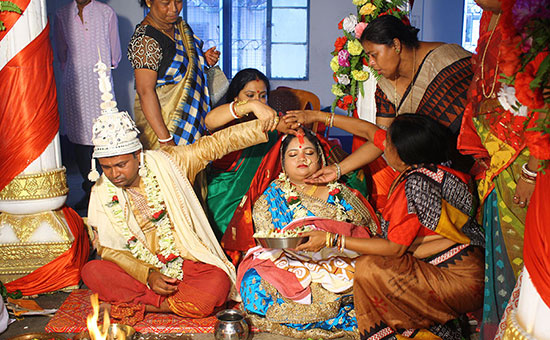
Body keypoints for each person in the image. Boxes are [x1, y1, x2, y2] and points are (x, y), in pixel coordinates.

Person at [80, 58, 278, 323]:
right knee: (92, 270)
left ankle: (148, 304)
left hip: (185, 262)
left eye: (121, 164)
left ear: (138, 155)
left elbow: (215, 144)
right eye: (106, 167)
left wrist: (254, 113)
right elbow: (110, 250)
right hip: (140, 267)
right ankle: (165, 302)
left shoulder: (168, 162)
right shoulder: (102, 191)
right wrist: (147, 274)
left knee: (218, 283)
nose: (114, 174)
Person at [296, 114, 485, 340]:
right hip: (470, 266)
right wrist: (317, 116)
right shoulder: (439, 167)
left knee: (369, 269)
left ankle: (419, 334)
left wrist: (331, 240)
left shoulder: (416, 185)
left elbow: (394, 248)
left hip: (455, 278)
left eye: (389, 144)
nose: (383, 147)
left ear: (403, 155)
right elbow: (368, 131)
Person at [457, 1, 550, 338]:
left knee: (527, 252)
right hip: (497, 160)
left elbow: (541, 103)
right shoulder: (490, 20)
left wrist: (531, 170)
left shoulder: (533, 25)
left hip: (525, 160)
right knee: (497, 241)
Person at [236, 128, 379, 339]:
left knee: (375, 275)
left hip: (338, 259)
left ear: (320, 157)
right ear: (283, 163)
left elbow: (367, 232)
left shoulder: (341, 192)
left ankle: (332, 310)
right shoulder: (271, 197)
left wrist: (332, 239)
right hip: (289, 262)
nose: (302, 158)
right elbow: (266, 239)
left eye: (309, 153)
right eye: (293, 155)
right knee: (252, 283)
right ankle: (336, 313)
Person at [337, 15, 474, 211]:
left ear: (396, 45)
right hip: (426, 181)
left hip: (467, 171)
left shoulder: (447, 64)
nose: (371, 63)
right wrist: (337, 170)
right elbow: (382, 139)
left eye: (374, 55)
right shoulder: (386, 84)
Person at [204, 68, 291, 238]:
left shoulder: (275, 121)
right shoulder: (227, 120)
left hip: (265, 196)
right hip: (224, 195)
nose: (258, 101)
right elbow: (209, 121)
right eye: (250, 95)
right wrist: (251, 106)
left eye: (262, 96)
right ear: (236, 98)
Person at [54, 0, 121, 209]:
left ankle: (107, 189)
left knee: (103, 135)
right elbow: (61, 54)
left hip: (99, 84)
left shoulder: (105, 13)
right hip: (74, 84)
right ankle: (89, 189)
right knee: (78, 137)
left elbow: (114, 56)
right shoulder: (61, 14)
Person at [128, 0, 220, 149]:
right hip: (165, 127)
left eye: (178, 1)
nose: (174, 9)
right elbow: (145, 91)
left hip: (191, 121)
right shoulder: (145, 41)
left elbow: (186, 63)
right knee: (169, 170)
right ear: (149, 2)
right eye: (166, 3)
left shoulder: (179, 27)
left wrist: (202, 57)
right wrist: (165, 139)